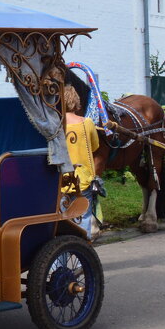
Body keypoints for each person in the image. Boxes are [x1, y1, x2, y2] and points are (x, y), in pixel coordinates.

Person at [63, 84, 101, 240]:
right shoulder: (87, 123)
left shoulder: (56, 126)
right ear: (76, 101)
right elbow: (95, 146)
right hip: (82, 179)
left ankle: (60, 259)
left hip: (60, 180)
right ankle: (82, 254)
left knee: (63, 220)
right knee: (84, 217)